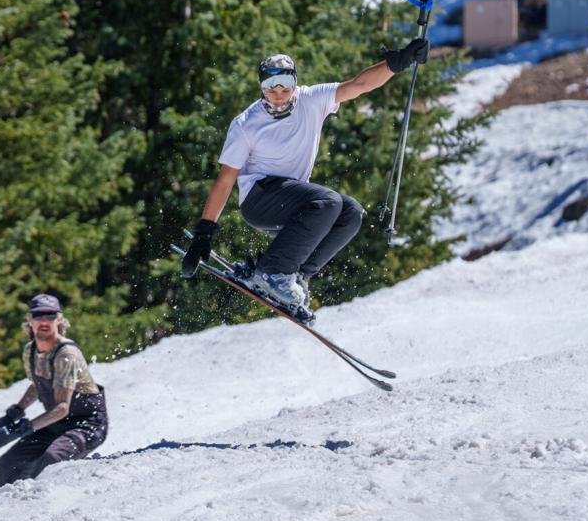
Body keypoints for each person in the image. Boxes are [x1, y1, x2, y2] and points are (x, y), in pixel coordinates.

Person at [181, 38, 429, 318]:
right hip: (259, 200)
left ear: (295, 82)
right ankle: (274, 271)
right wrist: (204, 233)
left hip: (293, 200)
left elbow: (359, 85)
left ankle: (295, 275)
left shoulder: (311, 99)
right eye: (270, 87)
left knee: (350, 213)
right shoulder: (246, 124)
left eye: (285, 84)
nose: (278, 93)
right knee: (328, 201)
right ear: (261, 87)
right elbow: (225, 180)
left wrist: (397, 63)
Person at [0, 294, 108, 490]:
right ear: (29, 320)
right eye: (38, 315)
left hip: (86, 425)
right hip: (56, 424)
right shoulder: (30, 351)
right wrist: (15, 411)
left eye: (50, 315)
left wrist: (21, 429)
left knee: (51, 460)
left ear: (59, 319)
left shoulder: (66, 354)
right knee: (8, 463)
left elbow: (61, 408)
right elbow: (38, 384)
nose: (44, 321)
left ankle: (39, 509)